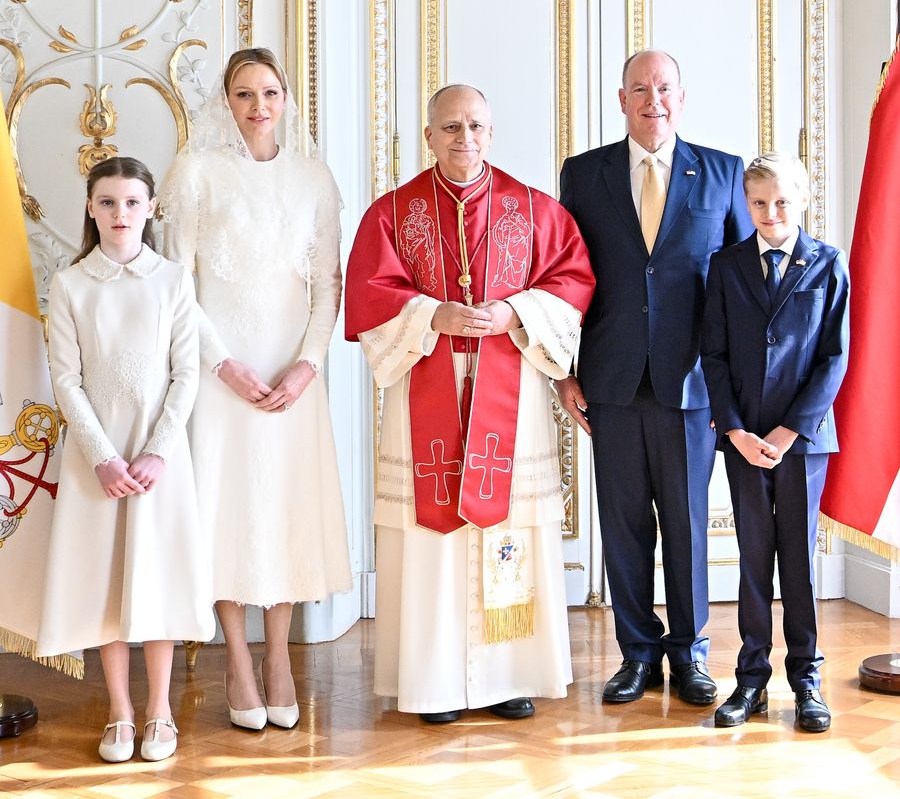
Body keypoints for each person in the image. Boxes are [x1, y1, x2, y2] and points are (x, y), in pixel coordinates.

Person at [345, 84, 595, 723]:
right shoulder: (394, 213)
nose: (465, 139)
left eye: (476, 126)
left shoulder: (533, 209)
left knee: (506, 530)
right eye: (451, 127)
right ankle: (432, 680)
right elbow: (371, 294)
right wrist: (435, 315)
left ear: (491, 131)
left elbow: (571, 282)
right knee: (431, 534)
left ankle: (507, 676)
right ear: (428, 135)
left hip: (510, 399)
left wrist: (513, 310)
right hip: (425, 384)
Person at [158, 47, 351, 730]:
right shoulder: (195, 174)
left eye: (270, 92)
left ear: (286, 98)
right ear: (226, 102)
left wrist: (307, 365)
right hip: (221, 376)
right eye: (245, 94)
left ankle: (278, 658)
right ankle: (237, 658)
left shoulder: (314, 179)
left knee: (284, 504)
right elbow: (176, 286)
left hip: (292, 377)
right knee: (227, 504)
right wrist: (223, 366)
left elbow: (329, 288)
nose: (259, 105)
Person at [558, 49, 753, 706]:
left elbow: (741, 287)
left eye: (664, 88)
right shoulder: (584, 176)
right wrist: (564, 372)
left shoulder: (725, 174)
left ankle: (690, 654)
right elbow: (567, 281)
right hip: (610, 379)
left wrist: (738, 390)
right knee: (623, 524)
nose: (653, 100)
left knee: (687, 522)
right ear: (621, 99)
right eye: (640, 89)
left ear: (682, 96)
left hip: (693, 383)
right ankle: (637, 655)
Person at [37, 157, 214, 763]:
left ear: (150, 209)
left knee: (157, 575)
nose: (120, 214)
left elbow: (186, 373)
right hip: (98, 459)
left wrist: (158, 452)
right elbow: (66, 380)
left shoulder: (172, 280)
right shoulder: (71, 285)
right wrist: (103, 458)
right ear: (90, 207)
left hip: (158, 455)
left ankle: (161, 710)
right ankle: (119, 710)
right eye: (108, 202)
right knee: (106, 580)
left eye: (132, 202)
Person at [701, 152, 849, 732]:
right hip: (744, 440)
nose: (770, 212)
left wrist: (790, 431)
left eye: (782, 201)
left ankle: (806, 680)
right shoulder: (726, 265)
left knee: (799, 563)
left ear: (803, 200)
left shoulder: (828, 264)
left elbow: (834, 358)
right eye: (759, 203)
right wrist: (735, 429)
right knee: (754, 556)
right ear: (746, 203)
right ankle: (751, 680)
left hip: (802, 442)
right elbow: (712, 355)